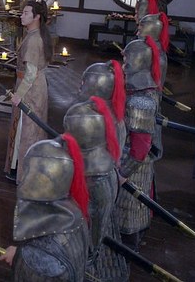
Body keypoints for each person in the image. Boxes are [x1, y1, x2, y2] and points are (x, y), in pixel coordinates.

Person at [0, 136, 90, 281]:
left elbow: (43, 259)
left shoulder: (36, 259)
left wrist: (19, 259)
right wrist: (18, 253)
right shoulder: (75, 211)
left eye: (29, 171)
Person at [62, 99, 127, 281]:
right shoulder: (107, 167)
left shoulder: (96, 180)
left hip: (86, 248)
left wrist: (89, 255)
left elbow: (94, 226)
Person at [116, 36, 163, 251]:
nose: (124, 64)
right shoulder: (141, 91)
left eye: (127, 60)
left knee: (130, 210)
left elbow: (140, 147)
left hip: (133, 165)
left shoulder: (140, 102)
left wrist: (123, 172)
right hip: (129, 157)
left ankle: (129, 250)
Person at [4, 0, 51, 182]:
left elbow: (31, 73)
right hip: (35, 85)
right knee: (29, 128)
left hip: (31, 88)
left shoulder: (34, 39)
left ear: (36, 17)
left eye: (25, 13)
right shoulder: (35, 35)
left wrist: (19, 95)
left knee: (28, 129)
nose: (21, 16)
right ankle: (21, 167)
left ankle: (24, 171)